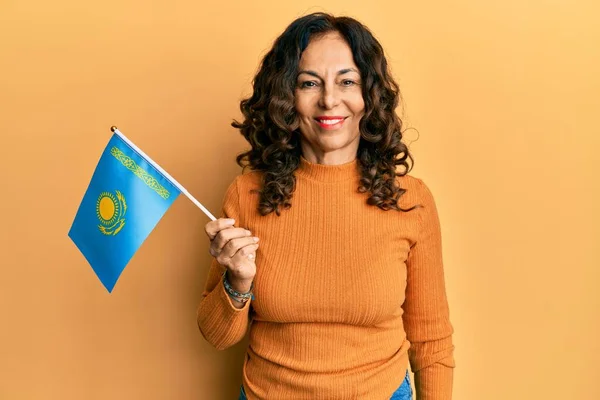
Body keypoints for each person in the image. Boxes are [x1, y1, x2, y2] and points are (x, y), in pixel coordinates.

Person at [196, 12, 455, 400]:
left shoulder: (411, 200)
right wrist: (238, 282)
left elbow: (432, 341)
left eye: (347, 81)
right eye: (309, 83)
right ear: (287, 97)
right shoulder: (246, 194)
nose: (329, 100)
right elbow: (217, 336)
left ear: (369, 95)